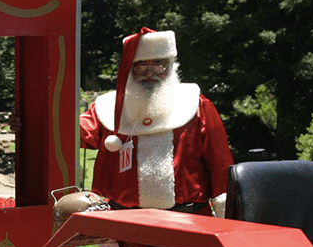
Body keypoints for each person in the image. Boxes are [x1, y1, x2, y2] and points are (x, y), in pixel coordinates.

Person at [79, 28, 234, 218]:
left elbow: (219, 161)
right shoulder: (108, 108)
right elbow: (71, 133)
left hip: (188, 219)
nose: (149, 73)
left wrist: (225, 208)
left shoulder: (197, 105)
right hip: (123, 220)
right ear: (129, 69)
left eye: (158, 65)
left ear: (170, 67)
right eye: (141, 66)